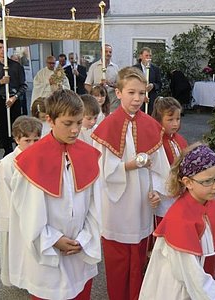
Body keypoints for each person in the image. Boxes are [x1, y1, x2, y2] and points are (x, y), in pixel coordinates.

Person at [9, 89, 102, 299]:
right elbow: (27, 212)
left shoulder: (88, 155)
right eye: (68, 123)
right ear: (50, 120)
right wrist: (53, 240)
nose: (75, 130)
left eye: (79, 122)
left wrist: (85, 238)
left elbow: (95, 205)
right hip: (49, 251)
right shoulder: (32, 160)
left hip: (80, 246)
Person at [91, 67, 170, 300]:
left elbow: (160, 168)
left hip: (142, 200)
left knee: (139, 255)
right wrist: (128, 166)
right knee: (118, 259)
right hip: (117, 202)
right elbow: (99, 171)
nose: (137, 99)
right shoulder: (106, 127)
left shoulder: (151, 125)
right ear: (118, 92)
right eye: (131, 93)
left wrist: (157, 191)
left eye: (141, 93)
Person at [139, 143, 215, 299]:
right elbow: (191, 273)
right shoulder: (179, 218)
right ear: (188, 182)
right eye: (208, 181)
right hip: (184, 289)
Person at [0, 115, 42, 287]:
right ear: (16, 139)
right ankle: (20, 279)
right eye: (27, 140)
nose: (33, 144)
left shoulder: (42, 157)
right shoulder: (7, 164)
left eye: (36, 139)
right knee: (18, 249)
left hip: (37, 211)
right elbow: (6, 194)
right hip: (16, 214)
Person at [0, 39, 27, 156]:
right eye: (0, 48)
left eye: (4, 47)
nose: (2, 50)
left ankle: (19, 151)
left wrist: (15, 97)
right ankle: (7, 152)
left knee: (17, 127)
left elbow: (23, 86)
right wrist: (0, 82)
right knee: (2, 128)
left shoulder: (16, 66)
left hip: (14, 101)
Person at [151, 96, 188, 225]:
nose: (175, 123)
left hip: (179, 190)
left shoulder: (180, 140)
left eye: (178, 119)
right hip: (162, 193)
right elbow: (152, 170)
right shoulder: (155, 142)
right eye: (170, 119)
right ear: (159, 120)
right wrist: (153, 190)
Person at [85, 44, 120, 112]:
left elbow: (119, 85)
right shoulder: (94, 66)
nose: (108, 54)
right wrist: (95, 93)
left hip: (112, 103)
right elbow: (87, 85)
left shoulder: (115, 67)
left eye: (110, 52)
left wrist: (110, 84)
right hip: (98, 103)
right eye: (106, 51)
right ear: (101, 52)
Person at [133, 47, 162, 115]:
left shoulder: (155, 69)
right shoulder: (134, 69)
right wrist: (142, 94)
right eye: (146, 55)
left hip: (151, 100)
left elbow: (159, 84)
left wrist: (153, 85)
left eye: (150, 56)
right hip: (138, 100)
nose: (148, 58)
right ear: (141, 56)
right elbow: (132, 84)